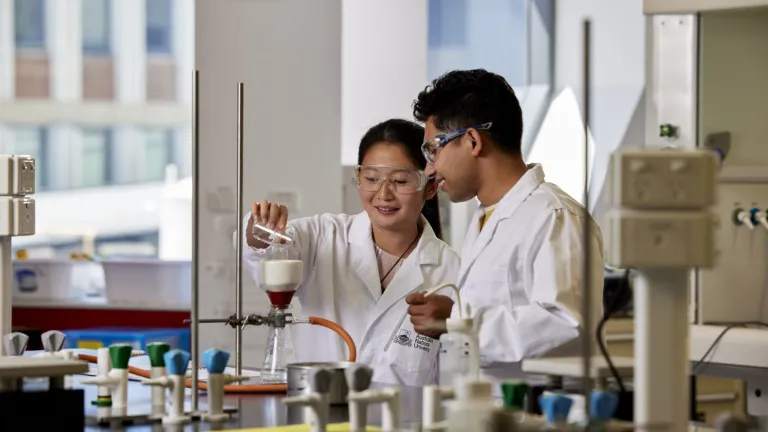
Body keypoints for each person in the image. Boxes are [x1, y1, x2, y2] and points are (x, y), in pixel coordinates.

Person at [405, 69, 605, 388]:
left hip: (538, 412)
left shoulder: (554, 216)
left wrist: (456, 321)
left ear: (472, 140)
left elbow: (568, 326)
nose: (430, 168)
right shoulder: (486, 217)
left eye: (433, 149)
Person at [236, 119, 459, 386]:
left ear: (430, 187)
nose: (384, 194)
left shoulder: (451, 270)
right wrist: (259, 227)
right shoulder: (324, 235)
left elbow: (456, 371)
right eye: (372, 179)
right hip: (317, 416)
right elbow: (269, 255)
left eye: (400, 180)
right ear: (358, 177)